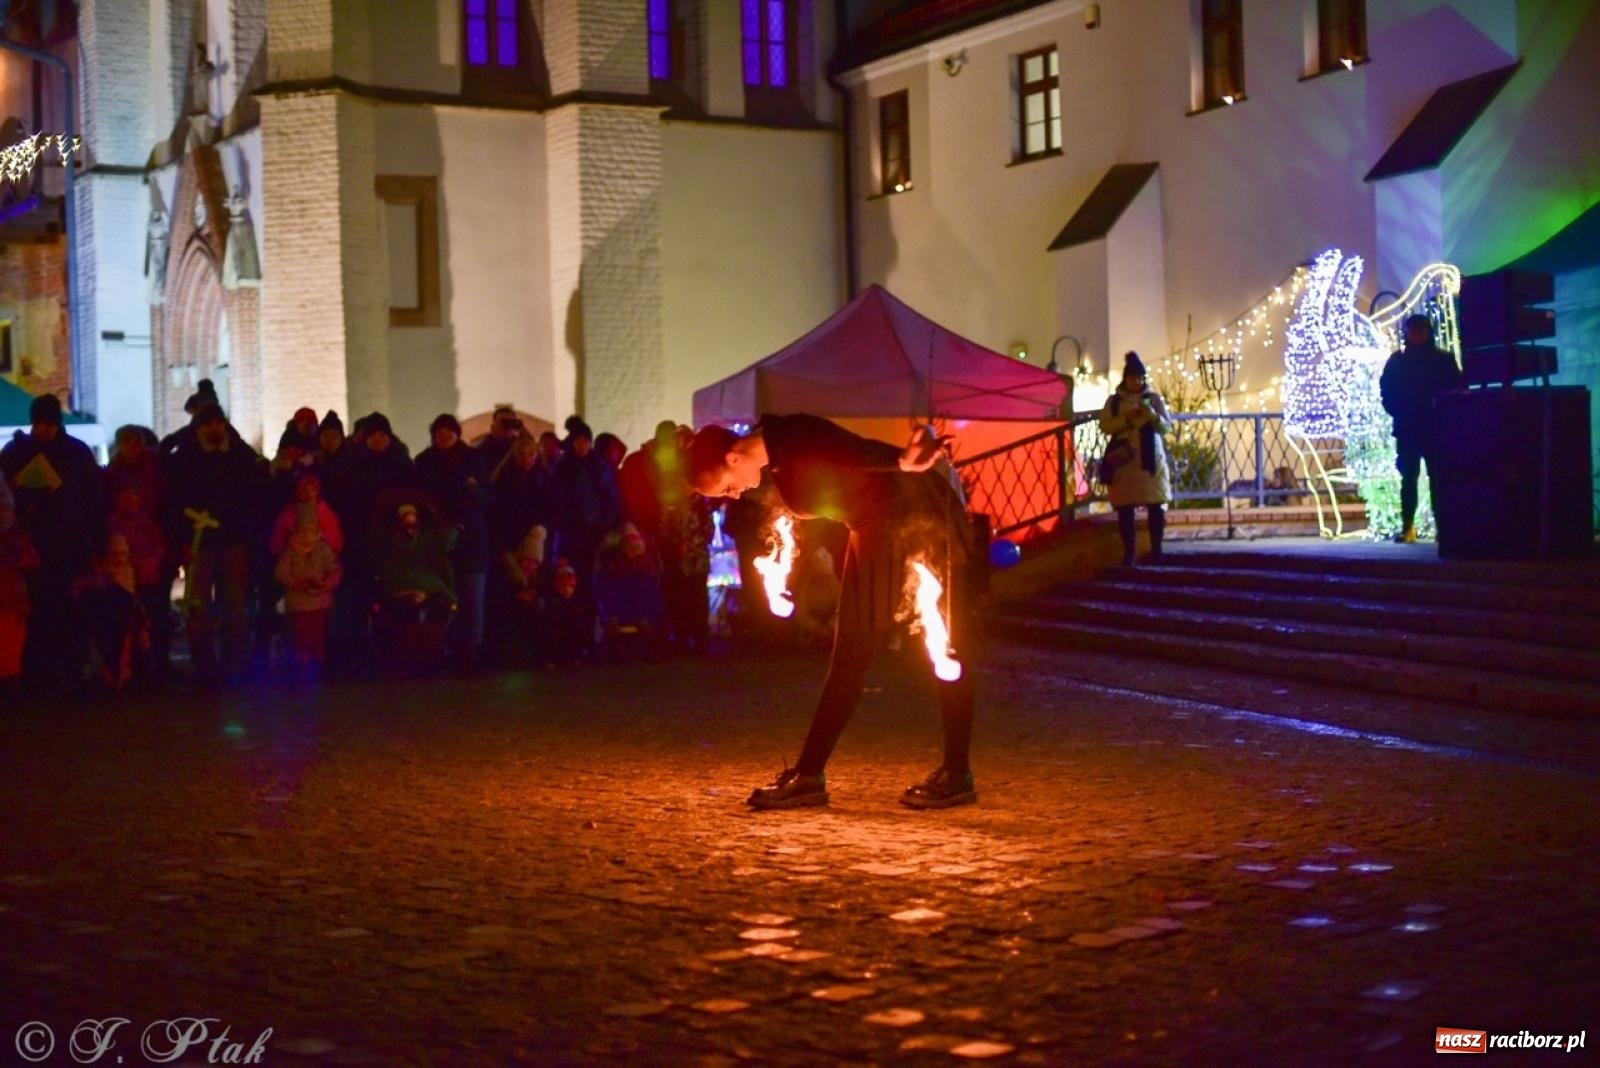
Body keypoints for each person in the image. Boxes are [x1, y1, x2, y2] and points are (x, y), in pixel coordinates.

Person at [688, 414, 977, 810]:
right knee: (853, 653)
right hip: (875, 524)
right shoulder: (778, 454)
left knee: (938, 642)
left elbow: (852, 451)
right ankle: (810, 774)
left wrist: (901, 460)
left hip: (905, 516)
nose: (734, 495)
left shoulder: (791, 436)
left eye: (725, 486)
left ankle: (954, 773)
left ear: (732, 458)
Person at [0, 392, 107, 688]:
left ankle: (71, 668)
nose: (43, 430)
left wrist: (99, 543)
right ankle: (39, 670)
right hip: (30, 545)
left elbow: (93, 500)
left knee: (69, 606)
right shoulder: (17, 451)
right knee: (37, 609)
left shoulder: (75, 453)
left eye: (48, 424)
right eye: (38, 424)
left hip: (68, 543)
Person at [161, 403, 265, 682]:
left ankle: (235, 664)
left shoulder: (242, 456)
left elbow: (255, 497)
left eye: (218, 423)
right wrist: (182, 537)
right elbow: (174, 501)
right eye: (208, 424)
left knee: (235, 605)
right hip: (199, 543)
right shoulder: (184, 459)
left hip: (234, 540)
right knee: (198, 606)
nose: (214, 428)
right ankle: (204, 666)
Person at [1380, 314, 1463, 543]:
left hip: (1433, 427)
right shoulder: (1399, 360)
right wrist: (1398, 411)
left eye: (1420, 331)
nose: (1416, 335)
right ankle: (1408, 527)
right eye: (1413, 331)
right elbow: (1387, 391)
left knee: (1437, 477)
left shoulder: (1441, 360)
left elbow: (1454, 391)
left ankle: (1442, 526)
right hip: (1410, 427)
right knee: (1410, 478)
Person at [1098, 353, 1172, 566]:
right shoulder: (1114, 402)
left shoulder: (1154, 399)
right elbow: (1105, 426)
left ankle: (1157, 549)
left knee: (1156, 507)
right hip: (1124, 462)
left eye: (1139, 378)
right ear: (1125, 379)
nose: (1136, 382)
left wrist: (1151, 415)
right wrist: (1125, 419)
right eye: (1132, 378)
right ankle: (1129, 553)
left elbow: (1166, 427)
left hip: (1151, 460)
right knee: (1125, 509)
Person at [274, 506, 342, 680]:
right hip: (299, 603)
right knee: (300, 636)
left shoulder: (323, 550)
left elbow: (334, 571)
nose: (307, 536)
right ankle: (302, 666)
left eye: (311, 531)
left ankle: (319, 665)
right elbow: (281, 573)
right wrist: (297, 583)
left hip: (320, 602)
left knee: (319, 635)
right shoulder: (290, 552)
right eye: (302, 531)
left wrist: (325, 584)